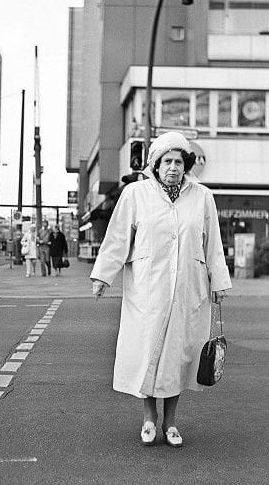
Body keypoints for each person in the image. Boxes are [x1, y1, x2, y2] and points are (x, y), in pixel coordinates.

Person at [90, 131, 231, 448]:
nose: (173, 167)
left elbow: (213, 245)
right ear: (155, 165)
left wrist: (218, 281)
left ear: (186, 165)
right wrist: (102, 276)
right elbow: (116, 239)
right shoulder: (136, 194)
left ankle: (171, 423)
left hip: (188, 289)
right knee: (149, 353)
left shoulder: (202, 197)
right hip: (148, 289)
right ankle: (148, 418)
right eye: (167, 161)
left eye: (179, 161)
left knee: (179, 357)